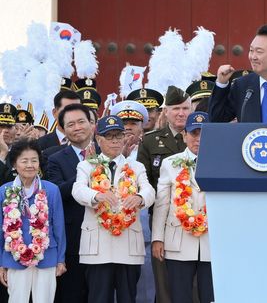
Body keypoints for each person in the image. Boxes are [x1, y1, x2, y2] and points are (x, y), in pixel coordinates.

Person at [72, 115, 155, 303]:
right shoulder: (86, 165)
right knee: (99, 297)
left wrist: (140, 197)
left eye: (118, 135)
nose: (115, 141)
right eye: (109, 136)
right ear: (99, 140)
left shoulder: (136, 166)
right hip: (98, 246)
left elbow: (150, 190)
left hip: (128, 244)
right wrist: (96, 195)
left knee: (128, 297)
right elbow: (77, 190)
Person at [152, 112, 213, 303]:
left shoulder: (222, 163)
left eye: (204, 133)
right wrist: (157, 238)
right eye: (194, 133)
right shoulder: (170, 163)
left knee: (211, 296)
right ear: (185, 136)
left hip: (211, 241)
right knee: (180, 296)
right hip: (177, 240)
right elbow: (162, 203)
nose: (199, 139)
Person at [137, 86, 190, 303]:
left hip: (198, 222)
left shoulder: (203, 138)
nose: (181, 113)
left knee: (193, 283)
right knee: (164, 281)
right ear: (165, 112)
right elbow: (145, 181)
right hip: (163, 220)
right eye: (176, 108)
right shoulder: (150, 141)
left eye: (186, 108)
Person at [0, 139, 66, 302]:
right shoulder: (4, 191)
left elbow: (59, 226)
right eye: (24, 161)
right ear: (15, 164)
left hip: (47, 255)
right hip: (14, 256)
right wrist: (1, 262)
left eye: (34, 160)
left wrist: (61, 259)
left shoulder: (51, 190)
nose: (30, 165)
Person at [47, 103, 96, 303]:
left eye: (81, 122)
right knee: (73, 293)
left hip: (107, 233)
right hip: (73, 235)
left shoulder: (109, 151)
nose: (77, 128)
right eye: (71, 124)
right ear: (63, 129)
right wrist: (85, 169)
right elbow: (56, 192)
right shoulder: (55, 158)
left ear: (92, 124)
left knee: (100, 292)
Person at [0, 104, 19, 185]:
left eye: (9, 126)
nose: (5, 130)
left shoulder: (21, 152)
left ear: (16, 129)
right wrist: (3, 154)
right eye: (1, 126)